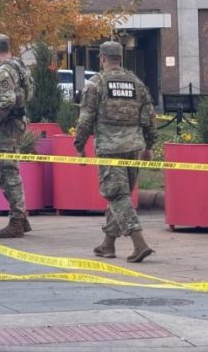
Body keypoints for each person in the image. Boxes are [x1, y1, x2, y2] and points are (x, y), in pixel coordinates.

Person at [74, 41, 157, 263]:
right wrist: (149, 146)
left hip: (110, 148)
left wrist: (79, 146)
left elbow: (85, 119)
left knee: (117, 195)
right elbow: (150, 117)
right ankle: (108, 244)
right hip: (134, 148)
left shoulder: (96, 83)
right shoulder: (136, 83)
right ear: (120, 58)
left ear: (102, 58)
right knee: (120, 195)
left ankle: (139, 243)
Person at [0, 33, 33, 238]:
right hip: (18, 122)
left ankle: (17, 220)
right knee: (3, 172)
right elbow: (29, 93)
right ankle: (20, 217)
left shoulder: (3, 71)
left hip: (8, 126)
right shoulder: (20, 67)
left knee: (7, 172)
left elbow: (8, 100)